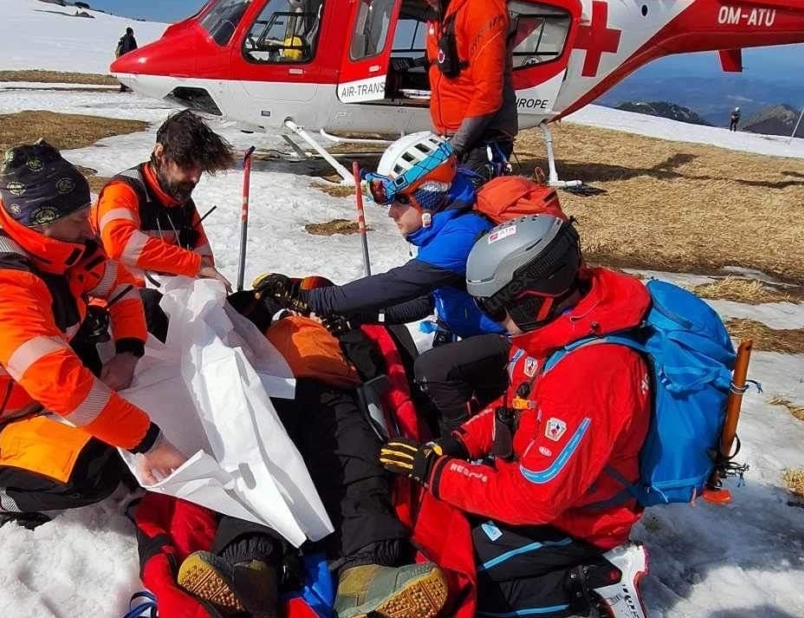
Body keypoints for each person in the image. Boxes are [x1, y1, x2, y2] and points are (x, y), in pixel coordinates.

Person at [0, 140, 188, 528]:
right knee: (92, 472)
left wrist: (128, 353)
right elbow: (60, 385)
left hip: (22, 390)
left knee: (149, 307)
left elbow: (121, 288)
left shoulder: (59, 244)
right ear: (39, 219)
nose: (87, 229)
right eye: (75, 220)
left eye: (86, 215)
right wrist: (151, 442)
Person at [377, 214, 652, 617]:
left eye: (496, 305)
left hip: (578, 521)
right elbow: (513, 406)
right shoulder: (551, 333)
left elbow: (536, 499)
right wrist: (458, 442)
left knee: (452, 582)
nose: (492, 318)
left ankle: (599, 581)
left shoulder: (591, 371)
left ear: (532, 296)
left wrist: (439, 473)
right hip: (539, 486)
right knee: (430, 529)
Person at [171, 289, 448, 618]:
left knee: (355, 464)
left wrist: (345, 327)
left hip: (335, 390)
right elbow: (228, 318)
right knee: (258, 467)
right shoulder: (263, 324)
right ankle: (250, 572)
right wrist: (269, 301)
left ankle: (364, 576)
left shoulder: (335, 328)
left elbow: (372, 366)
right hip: (268, 390)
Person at [255, 132, 509, 435]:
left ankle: (468, 444)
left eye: (399, 202)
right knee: (426, 368)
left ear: (428, 194)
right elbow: (425, 301)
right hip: (475, 333)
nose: (391, 213)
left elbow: (402, 283)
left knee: (434, 368)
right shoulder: (446, 221)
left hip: (516, 343)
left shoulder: (465, 231)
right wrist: (356, 315)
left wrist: (311, 298)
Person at [93, 109, 236, 334]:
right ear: (160, 153)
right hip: (109, 305)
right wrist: (193, 264)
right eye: (187, 166)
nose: (195, 178)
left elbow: (204, 260)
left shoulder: (182, 203)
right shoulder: (123, 191)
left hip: (165, 302)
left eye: (200, 169)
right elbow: (120, 242)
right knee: (150, 306)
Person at [413, 0, 518, 177]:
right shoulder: (441, 15)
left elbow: (488, 92)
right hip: (453, 140)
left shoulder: (481, 5)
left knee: (466, 211)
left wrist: (455, 146)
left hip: (480, 141)